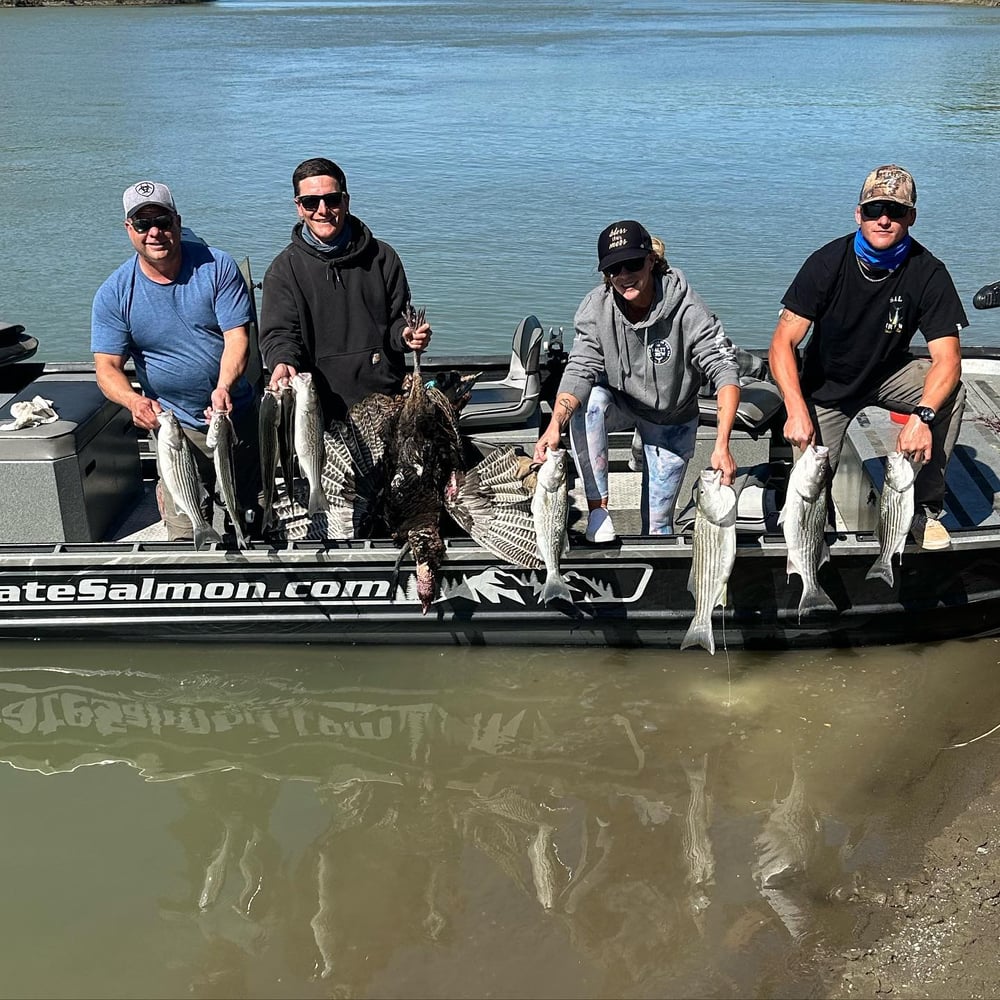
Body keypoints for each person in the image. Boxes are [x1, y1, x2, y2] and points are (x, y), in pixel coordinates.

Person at [767, 164, 967, 550]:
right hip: (827, 384)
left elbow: (948, 358)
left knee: (951, 393)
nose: (884, 219)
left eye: (895, 210)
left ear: (912, 216)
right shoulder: (827, 263)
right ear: (859, 213)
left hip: (888, 372)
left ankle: (924, 508)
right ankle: (812, 541)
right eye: (875, 210)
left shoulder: (929, 272)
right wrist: (795, 407)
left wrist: (922, 416)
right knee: (810, 479)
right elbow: (782, 344)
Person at [533, 220, 741, 542]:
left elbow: (724, 370)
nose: (624, 275)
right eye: (614, 269)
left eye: (632, 264)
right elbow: (579, 369)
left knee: (657, 527)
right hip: (624, 401)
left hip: (671, 417)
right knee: (587, 401)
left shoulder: (688, 308)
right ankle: (598, 509)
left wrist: (722, 444)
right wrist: (554, 425)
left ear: (651, 261)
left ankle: (646, 452)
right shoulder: (596, 307)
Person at [91, 180, 261, 542]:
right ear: (129, 229)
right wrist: (133, 400)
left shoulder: (217, 266)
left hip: (234, 416)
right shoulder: (114, 293)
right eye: (142, 223)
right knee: (186, 533)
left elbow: (237, 339)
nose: (155, 232)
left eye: (163, 221)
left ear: (178, 222)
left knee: (251, 518)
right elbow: (107, 368)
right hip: (173, 427)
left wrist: (223, 387)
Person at [259, 157, 432, 423]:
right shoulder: (284, 270)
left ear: (346, 201)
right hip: (318, 411)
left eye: (332, 200)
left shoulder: (383, 258)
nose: (322, 210)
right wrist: (282, 362)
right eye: (310, 202)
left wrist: (407, 335)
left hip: (385, 403)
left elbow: (397, 321)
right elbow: (280, 335)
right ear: (298, 207)